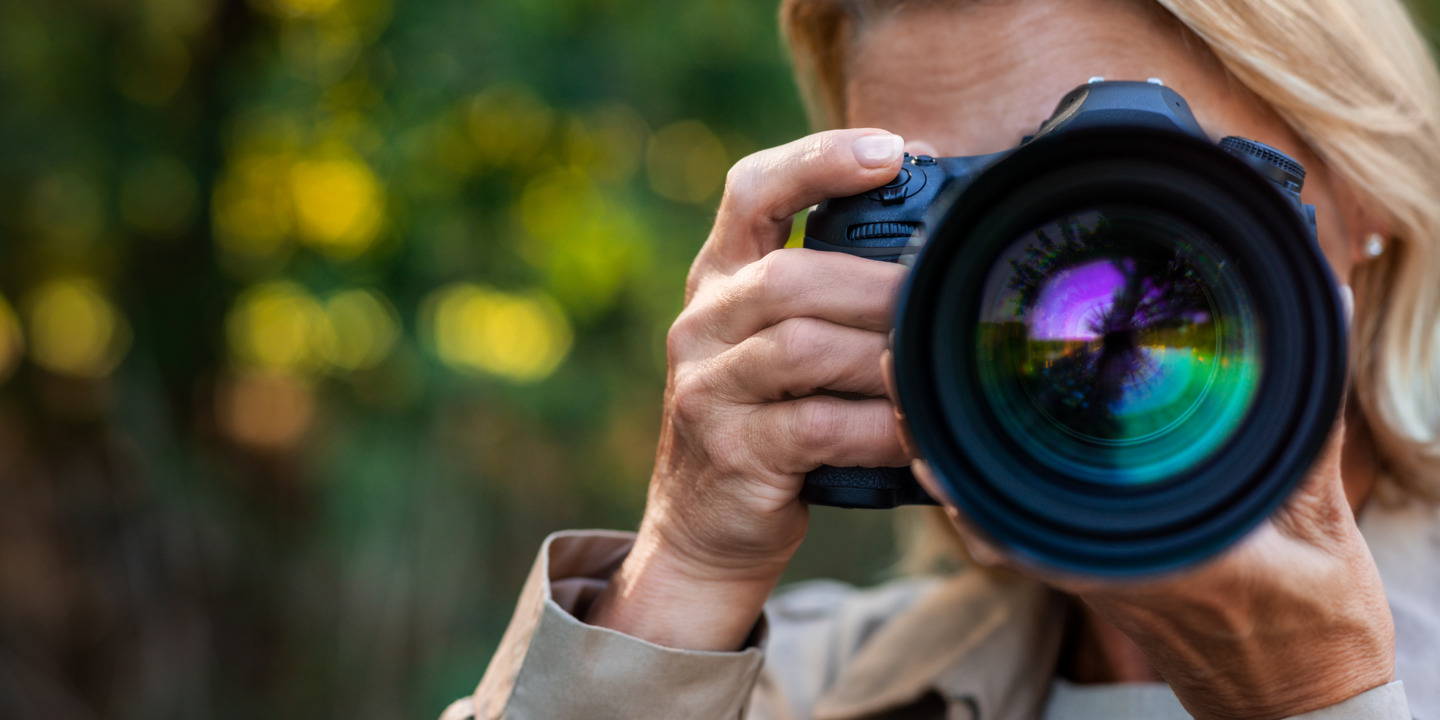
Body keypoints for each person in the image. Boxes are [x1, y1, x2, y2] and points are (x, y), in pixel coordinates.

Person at [444, 0, 1440, 717]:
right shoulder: (805, 685)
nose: (1065, 309)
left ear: (1362, 193)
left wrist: (1321, 699)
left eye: (1123, 204)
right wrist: (681, 579)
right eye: (967, 220)